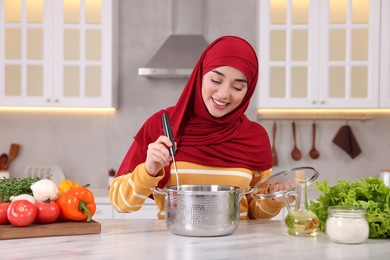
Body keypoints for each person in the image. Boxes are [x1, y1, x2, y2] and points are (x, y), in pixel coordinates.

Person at [109, 35, 285, 220]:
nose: (224, 94)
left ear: (248, 92)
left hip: (237, 246)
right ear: (200, 76)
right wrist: (148, 170)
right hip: (173, 246)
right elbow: (121, 204)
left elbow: (255, 213)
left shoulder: (254, 137)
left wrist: (274, 199)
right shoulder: (162, 125)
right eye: (216, 81)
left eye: (238, 87)